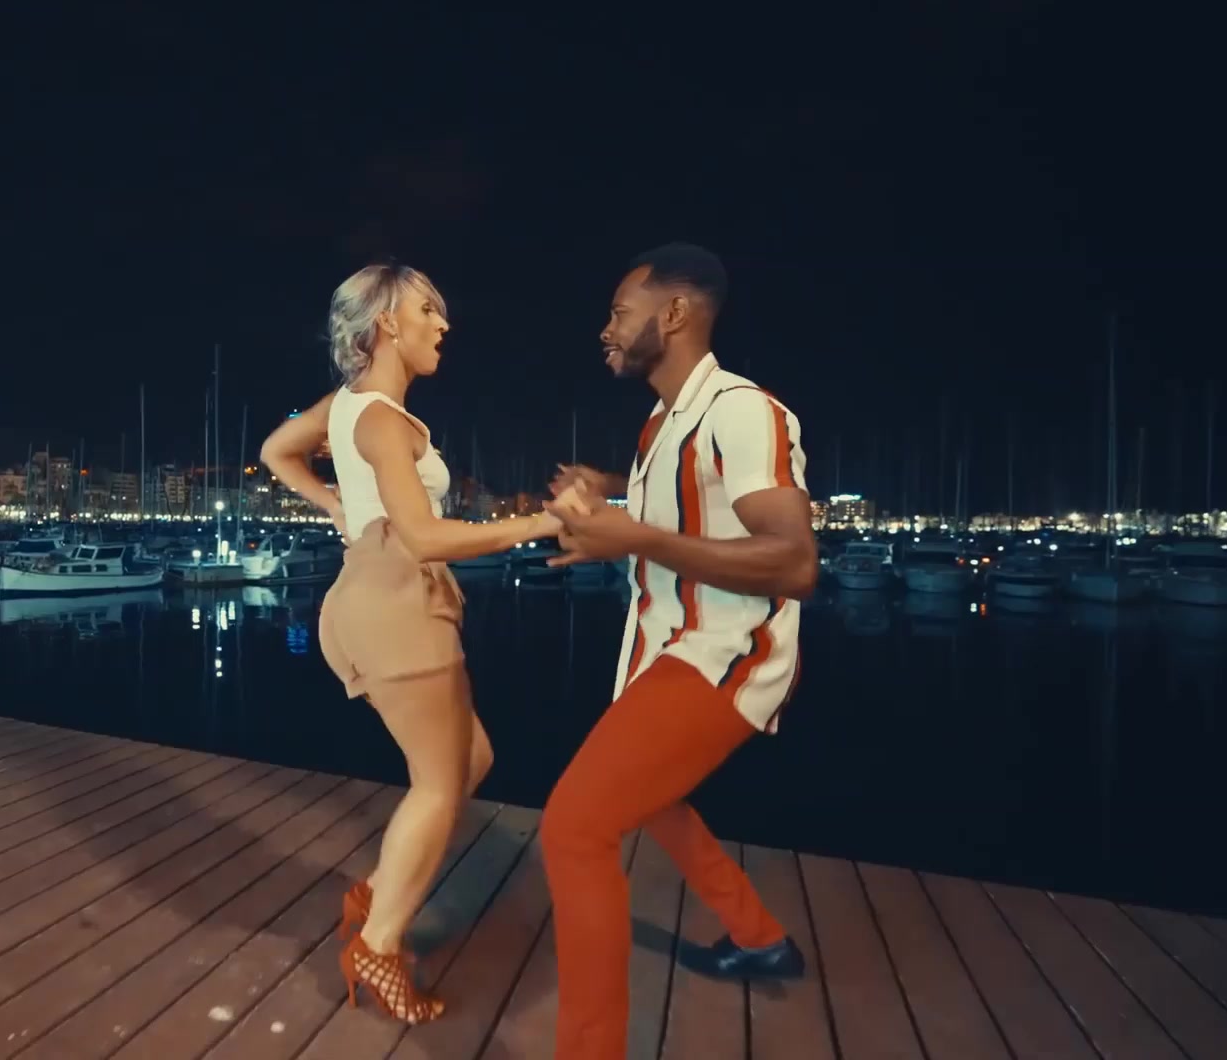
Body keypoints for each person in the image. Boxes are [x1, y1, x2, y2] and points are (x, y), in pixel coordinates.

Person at [259, 262, 563, 1024]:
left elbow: (276, 450)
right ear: (388, 322)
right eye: (429, 310)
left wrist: (336, 506)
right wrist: (540, 524)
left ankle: (378, 895)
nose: (443, 324)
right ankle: (377, 946)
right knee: (439, 782)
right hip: (396, 601)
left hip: (379, 594)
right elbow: (424, 535)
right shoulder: (382, 421)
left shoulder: (348, 406)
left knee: (470, 760)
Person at [540, 243, 819, 1059]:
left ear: (674, 314)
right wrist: (610, 507)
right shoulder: (662, 425)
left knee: (573, 828)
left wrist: (635, 536)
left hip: (728, 653)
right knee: (650, 799)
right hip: (664, 651)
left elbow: (795, 562)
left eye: (619, 313)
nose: (606, 329)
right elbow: (676, 520)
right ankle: (759, 937)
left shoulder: (743, 410)